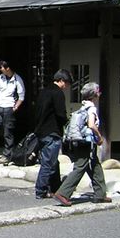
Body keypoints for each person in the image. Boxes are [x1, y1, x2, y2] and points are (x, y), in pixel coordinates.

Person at [53, 82, 112, 206]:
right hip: (86, 142)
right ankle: (63, 193)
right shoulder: (92, 108)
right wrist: (99, 136)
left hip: (79, 141)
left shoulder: (82, 107)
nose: (99, 93)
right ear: (94, 95)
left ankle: (100, 194)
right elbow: (91, 124)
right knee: (81, 166)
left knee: (95, 165)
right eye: (98, 91)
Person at [33, 69, 72, 199]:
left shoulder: (43, 91)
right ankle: (41, 190)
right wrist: (67, 122)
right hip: (52, 131)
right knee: (48, 163)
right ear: (61, 80)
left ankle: (56, 188)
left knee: (53, 162)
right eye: (66, 83)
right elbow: (61, 114)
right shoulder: (58, 93)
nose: (66, 86)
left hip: (41, 130)